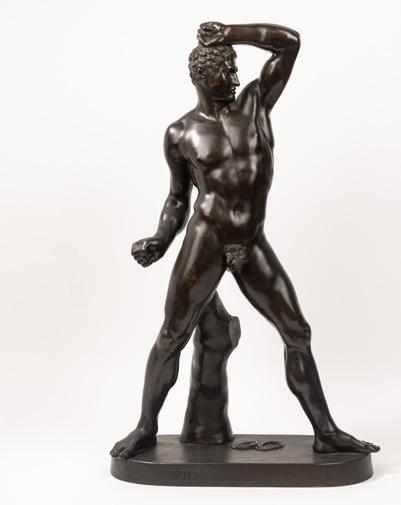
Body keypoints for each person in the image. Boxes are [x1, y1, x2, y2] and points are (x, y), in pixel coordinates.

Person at [111, 22, 379, 459]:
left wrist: (230, 34)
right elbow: (177, 198)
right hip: (206, 239)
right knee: (173, 334)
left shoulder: (255, 106)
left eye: (236, 69)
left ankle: (326, 432)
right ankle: (144, 428)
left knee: (296, 330)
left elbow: (289, 44)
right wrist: (160, 240)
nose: (236, 78)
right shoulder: (180, 133)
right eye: (226, 71)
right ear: (202, 77)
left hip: (250, 240)